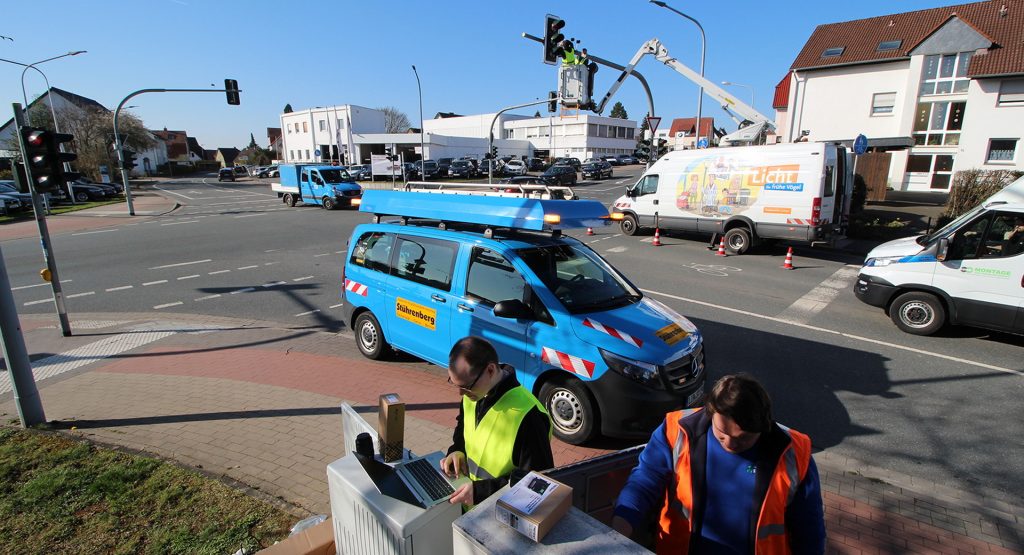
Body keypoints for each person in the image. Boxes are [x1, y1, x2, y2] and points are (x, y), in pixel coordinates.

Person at [611, 374, 825, 554]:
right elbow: (643, 484)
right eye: (722, 434)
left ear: (764, 427)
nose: (730, 443)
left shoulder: (793, 453)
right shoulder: (676, 431)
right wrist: (615, 537)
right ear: (711, 412)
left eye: (743, 438)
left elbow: (809, 531)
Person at [440, 336, 554, 506]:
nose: (461, 394)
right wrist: (457, 449)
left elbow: (537, 482)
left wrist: (481, 492)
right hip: (469, 508)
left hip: (500, 516)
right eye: (455, 384)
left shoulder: (529, 415)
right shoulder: (473, 394)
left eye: (466, 386)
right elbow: (463, 426)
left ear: (491, 370)